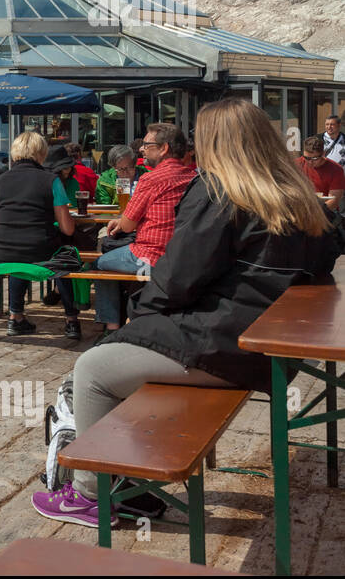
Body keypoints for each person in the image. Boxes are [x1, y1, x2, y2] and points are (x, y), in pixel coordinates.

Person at [33, 97, 342, 529]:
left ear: (215, 143)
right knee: (126, 355)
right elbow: (324, 255)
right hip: (272, 347)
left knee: (93, 368)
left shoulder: (221, 192)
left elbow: (176, 279)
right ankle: (130, 486)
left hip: (227, 345)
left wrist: (135, 320)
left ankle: (91, 495)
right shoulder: (298, 196)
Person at [0, 131, 80, 338]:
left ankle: (16, 317)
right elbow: (68, 229)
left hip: (3, 251)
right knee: (65, 254)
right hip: (41, 250)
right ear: (42, 153)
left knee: (18, 255)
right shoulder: (51, 180)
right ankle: (71, 320)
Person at [93, 122, 196, 332]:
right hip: (182, 257)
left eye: (147, 145)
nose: (142, 149)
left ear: (164, 148)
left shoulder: (151, 178)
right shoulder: (193, 177)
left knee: (99, 264)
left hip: (150, 255)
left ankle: (112, 327)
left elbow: (129, 224)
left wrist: (120, 222)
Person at [297, 135, 344, 211]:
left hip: (325, 211)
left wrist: (315, 213)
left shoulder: (336, 169)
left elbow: (334, 200)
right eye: (307, 158)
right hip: (300, 210)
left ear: (323, 154)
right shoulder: (296, 165)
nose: (310, 162)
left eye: (314, 158)